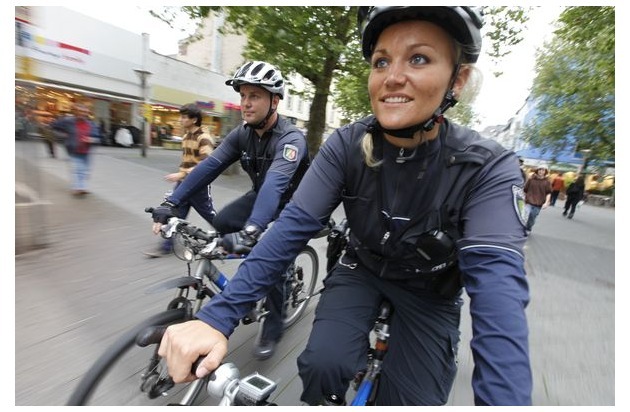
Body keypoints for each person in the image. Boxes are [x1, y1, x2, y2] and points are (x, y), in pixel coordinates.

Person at [152, 7, 532, 405]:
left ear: (459, 79)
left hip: (430, 292)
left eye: (418, 58)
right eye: (381, 61)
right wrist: (216, 317)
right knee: (321, 367)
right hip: (361, 268)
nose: (392, 76)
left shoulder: (488, 167)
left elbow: (500, 298)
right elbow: (291, 227)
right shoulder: (346, 145)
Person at [150, 61, 310, 360]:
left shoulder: (291, 139)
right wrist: (172, 204)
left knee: (269, 258)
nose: (246, 103)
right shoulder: (242, 133)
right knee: (223, 221)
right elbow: (208, 167)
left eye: (255, 96)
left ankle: (274, 323)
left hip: (296, 207)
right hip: (261, 197)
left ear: (275, 101)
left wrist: (252, 232)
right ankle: (253, 277)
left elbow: (276, 183)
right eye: (243, 96)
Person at [144, 103, 218, 257]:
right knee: (174, 214)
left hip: (198, 185)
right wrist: (181, 176)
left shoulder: (204, 138)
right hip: (183, 183)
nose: (180, 120)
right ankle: (166, 246)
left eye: (184, 117)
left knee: (210, 215)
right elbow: (187, 161)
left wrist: (181, 175)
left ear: (194, 119)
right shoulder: (185, 136)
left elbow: (206, 165)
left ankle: (230, 236)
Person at [50, 103, 99, 196]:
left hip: (86, 151)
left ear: (88, 113)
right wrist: (63, 136)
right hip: (73, 149)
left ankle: (82, 187)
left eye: (85, 112)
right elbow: (53, 126)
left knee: (85, 170)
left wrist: (92, 139)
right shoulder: (67, 121)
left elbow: (98, 137)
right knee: (77, 169)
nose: (82, 113)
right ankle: (77, 188)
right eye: (80, 111)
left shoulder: (91, 124)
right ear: (75, 112)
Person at [523, 166, 552, 233]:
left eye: (543, 170)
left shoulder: (547, 182)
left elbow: (548, 193)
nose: (541, 171)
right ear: (537, 170)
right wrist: (523, 198)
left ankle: (528, 228)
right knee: (525, 215)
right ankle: (522, 228)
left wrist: (546, 202)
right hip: (528, 201)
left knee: (532, 217)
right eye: (539, 170)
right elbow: (525, 190)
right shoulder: (531, 180)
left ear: (545, 172)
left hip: (538, 203)